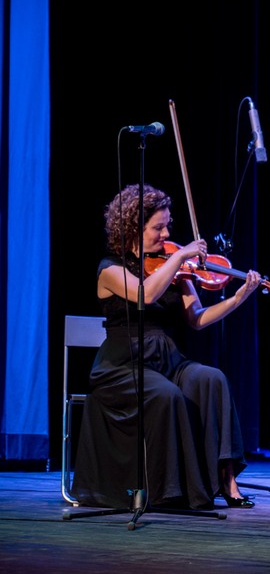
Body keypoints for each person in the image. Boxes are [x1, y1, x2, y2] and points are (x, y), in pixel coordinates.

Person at [72, 183, 259, 510]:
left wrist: (237, 298)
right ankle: (172, 492)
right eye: (158, 227)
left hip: (168, 361)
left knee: (211, 379)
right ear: (133, 228)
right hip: (123, 365)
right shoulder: (110, 269)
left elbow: (197, 318)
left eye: (167, 225)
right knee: (166, 395)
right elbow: (145, 295)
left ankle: (227, 481)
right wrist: (182, 256)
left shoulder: (171, 264)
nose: (166, 233)